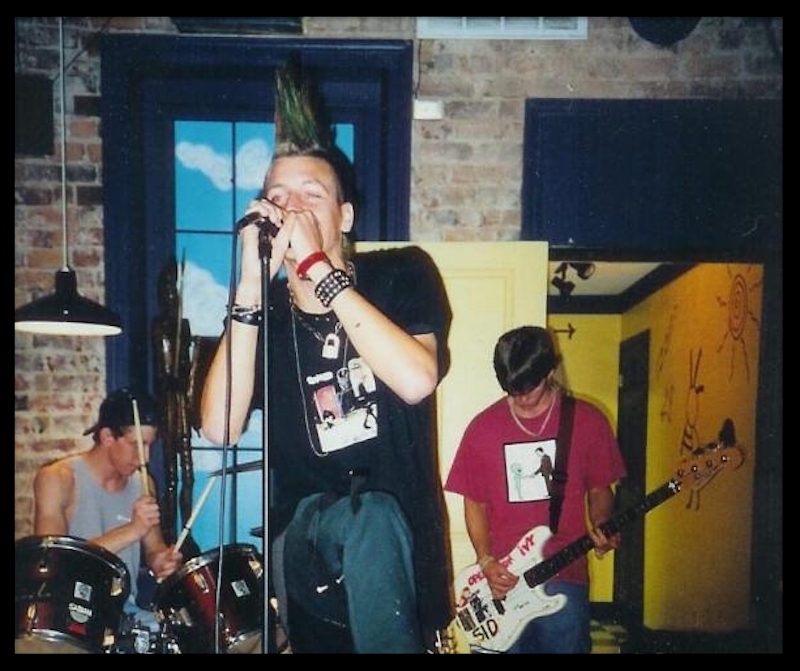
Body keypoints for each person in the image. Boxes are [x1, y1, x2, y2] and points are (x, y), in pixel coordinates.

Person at [200, 60, 453, 654]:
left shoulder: (401, 274)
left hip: (401, 540)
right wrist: (247, 290)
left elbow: (417, 380)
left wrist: (319, 270)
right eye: (276, 197)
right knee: (357, 518)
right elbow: (219, 426)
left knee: (373, 520)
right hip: (309, 542)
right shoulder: (262, 317)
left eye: (311, 195)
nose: (291, 209)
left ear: (344, 217)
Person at [444, 325, 626, 654]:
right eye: (513, 391)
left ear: (551, 370)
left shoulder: (587, 421)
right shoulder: (482, 429)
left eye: (531, 388)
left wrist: (602, 522)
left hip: (565, 577)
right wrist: (485, 560)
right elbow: (474, 502)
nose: (522, 399)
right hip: (500, 584)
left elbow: (600, 489)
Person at [33, 387, 183, 643]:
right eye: (137, 445)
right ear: (106, 437)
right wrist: (132, 530)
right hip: (71, 614)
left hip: (125, 615)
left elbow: (154, 550)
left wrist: (163, 561)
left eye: (150, 445)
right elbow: (54, 562)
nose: (145, 457)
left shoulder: (143, 483)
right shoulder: (58, 478)